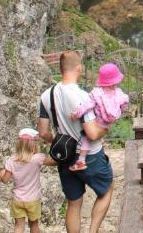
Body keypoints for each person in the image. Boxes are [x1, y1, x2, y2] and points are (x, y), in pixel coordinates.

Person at [38, 51, 113, 233]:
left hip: (65, 157)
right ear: (78, 68)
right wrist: (106, 128)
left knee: (74, 203)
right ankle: (93, 231)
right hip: (91, 157)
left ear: (61, 68)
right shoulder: (82, 97)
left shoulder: (46, 96)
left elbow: (43, 132)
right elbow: (93, 133)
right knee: (106, 190)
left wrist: (61, 141)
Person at [69, 62, 131, 172]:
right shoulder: (119, 93)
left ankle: (81, 160)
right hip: (106, 123)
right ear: (114, 82)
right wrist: (118, 111)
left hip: (97, 121)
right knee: (94, 136)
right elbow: (125, 104)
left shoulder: (97, 93)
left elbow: (87, 106)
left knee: (86, 137)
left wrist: (76, 113)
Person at [0, 128, 56, 233]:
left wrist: (1, 173)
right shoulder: (37, 158)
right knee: (34, 226)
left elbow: (5, 180)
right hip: (33, 200)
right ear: (33, 146)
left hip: (18, 199)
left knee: (18, 227)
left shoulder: (11, 160)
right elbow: (55, 162)